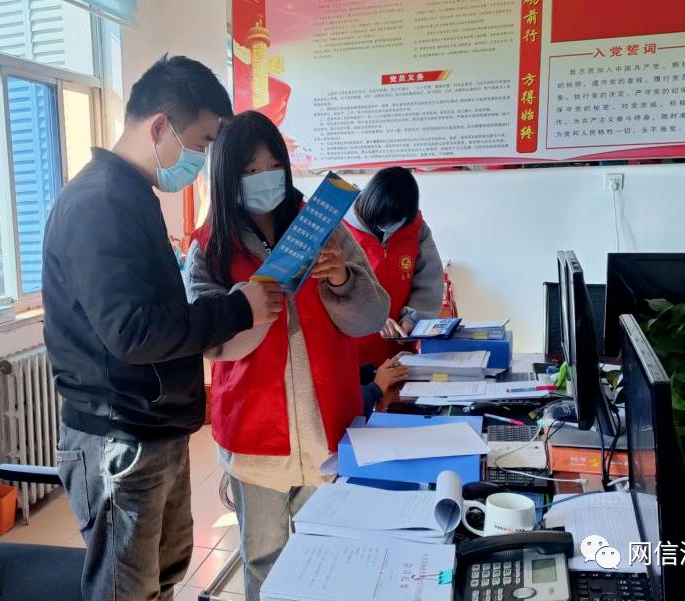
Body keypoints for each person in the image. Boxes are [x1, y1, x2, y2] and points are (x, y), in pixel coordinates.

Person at [41, 56, 284, 601]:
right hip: (118, 437)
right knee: (126, 591)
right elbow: (133, 331)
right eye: (200, 142)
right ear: (159, 128)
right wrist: (237, 310)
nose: (201, 159)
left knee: (162, 577)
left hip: (154, 428)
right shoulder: (100, 203)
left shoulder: (130, 195)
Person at [183, 110, 390, 601]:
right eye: (250, 170)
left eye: (273, 166)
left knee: (331, 558)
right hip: (255, 439)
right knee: (265, 562)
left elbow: (373, 315)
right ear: (228, 176)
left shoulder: (325, 229)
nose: (265, 178)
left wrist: (342, 279)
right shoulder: (209, 247)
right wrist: (247, 308)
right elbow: (209, 342)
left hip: (328, 430)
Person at [344, 166, 445, 388]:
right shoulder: (341, 228)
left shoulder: (415, 228)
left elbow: (429, 281)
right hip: (355, 350)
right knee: (363, 401)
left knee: (400, 400)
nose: (391, 227)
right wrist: (374, 316)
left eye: (398, 220)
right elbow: (336, 288)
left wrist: (411, 319)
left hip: (401, 347)